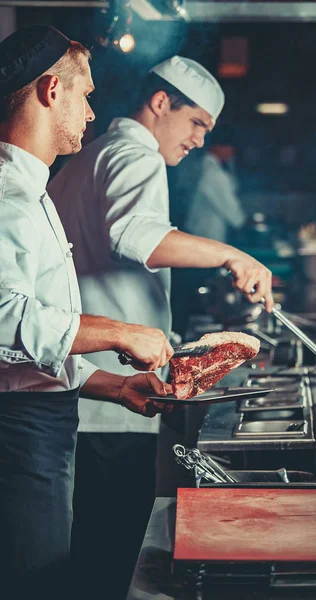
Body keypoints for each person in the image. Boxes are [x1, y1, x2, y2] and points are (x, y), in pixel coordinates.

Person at [49, 55, 275, 599]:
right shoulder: (135, 154)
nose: (199, 139)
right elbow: (135, 234)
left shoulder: (93, 155)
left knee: (81, 566)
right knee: (105, 568)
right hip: (110, 404)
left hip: (80, 390)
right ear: (159, 103)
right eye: (196, 122)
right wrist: (231, 256)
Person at [0, 25, 174, 600]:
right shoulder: (6, 194)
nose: (92, 113)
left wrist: (116, 389)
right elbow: (6, 320)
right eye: (86, 95)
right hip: (18, 435)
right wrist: (120, 331)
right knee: (33, 586)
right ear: (52, 91)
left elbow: (31, 355)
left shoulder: (35, 190)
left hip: (43, 425)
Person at [184, 124, 246, 243]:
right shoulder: (215, 174)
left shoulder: (202, 166)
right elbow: (233, 212)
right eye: (230, 148)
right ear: (219, 147)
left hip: (197, 231)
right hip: (207, 234)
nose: (231, 153)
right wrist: (244, 223)